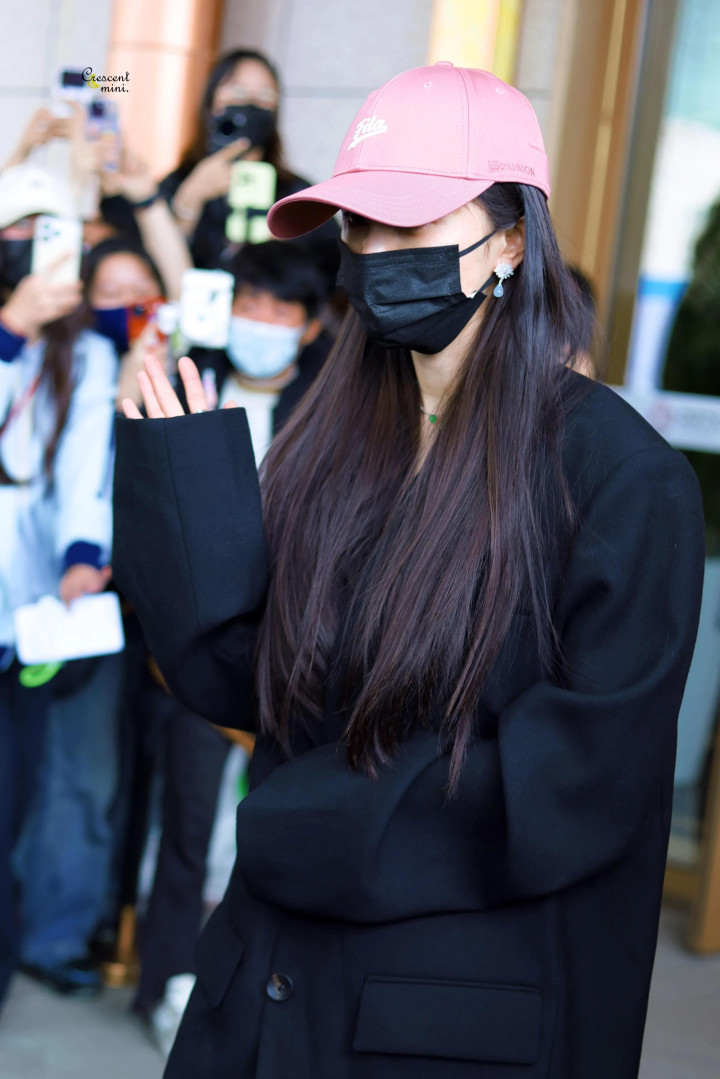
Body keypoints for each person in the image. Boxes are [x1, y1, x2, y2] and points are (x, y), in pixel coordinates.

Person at [113, 64, 704, 1079]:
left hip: (435, 1027)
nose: (377, 253)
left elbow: (574, 785)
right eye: (359, 225)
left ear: (510, 240)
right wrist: (184, 497)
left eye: (411, 222)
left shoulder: (621, 481)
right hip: (259, 1000)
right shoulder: (331, 442)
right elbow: (259, 688)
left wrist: (304, 823)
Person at [134, 239, 333, 1055]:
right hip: (198, 655)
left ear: (312, 324)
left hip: (295, 661)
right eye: (249, 302)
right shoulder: (192, 386)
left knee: (271, 829)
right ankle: (165, 980)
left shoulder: (332, 409)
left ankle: (258, 998)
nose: (261, 320)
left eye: (281, 308)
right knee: (185, 822)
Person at [0, 165, 116, 1009]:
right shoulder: (15, 335)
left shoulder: (90, 350)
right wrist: (9, 331)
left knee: (12, 798)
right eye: (20, 233)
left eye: (51, 234)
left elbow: (82, 468)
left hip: (26, 614)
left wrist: (85, 552)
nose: (34, 249)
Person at [102, 49, 338, 277]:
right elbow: (152, 273)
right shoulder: (177, 182)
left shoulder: (299, 197)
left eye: (265, 95)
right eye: (237, 91)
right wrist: (189, 201)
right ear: (211, 104)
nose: (250, 102)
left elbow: (330, 272)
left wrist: (284, 252)